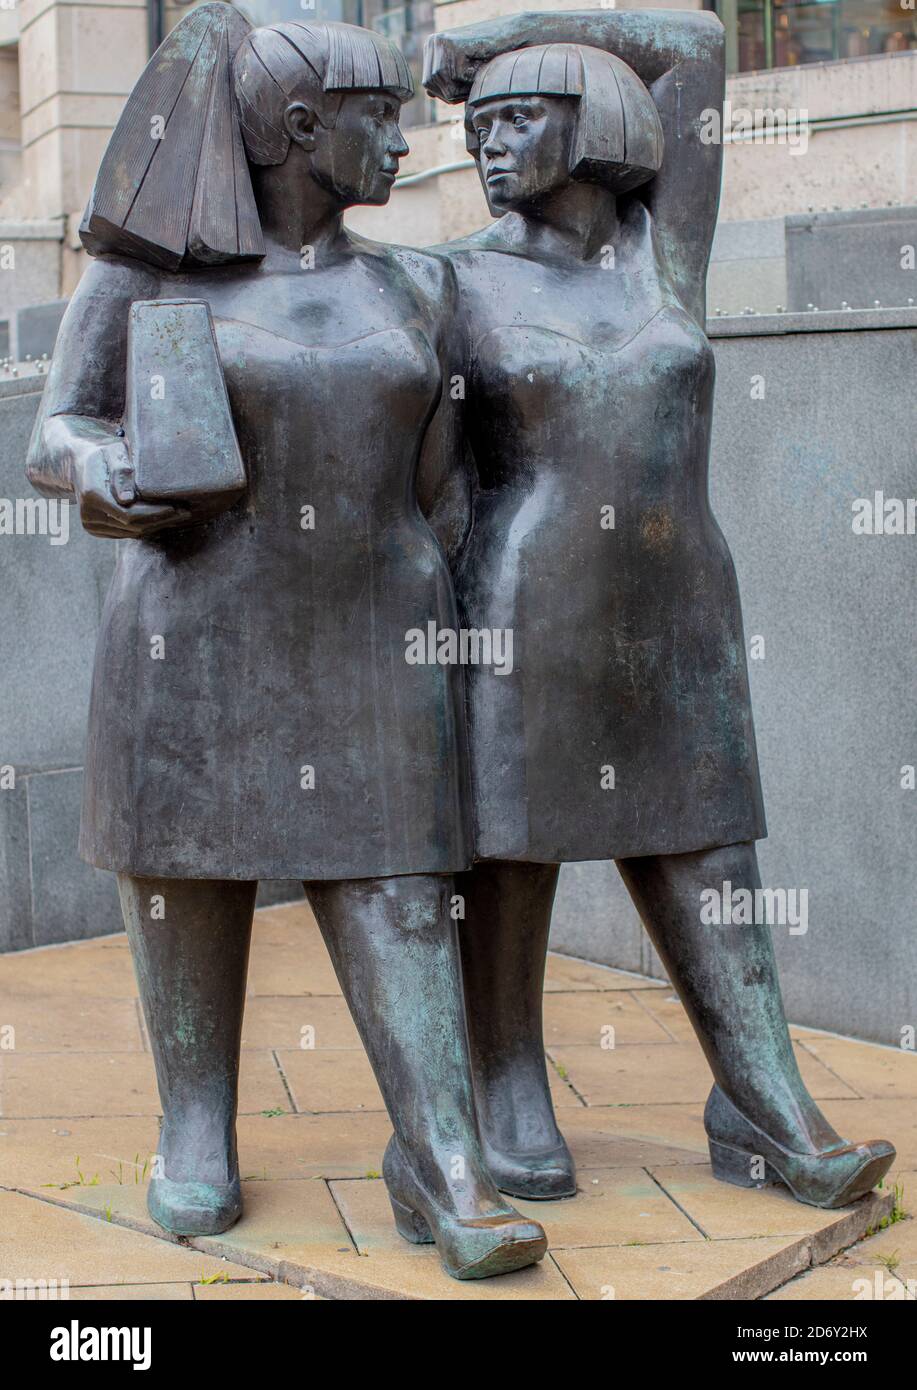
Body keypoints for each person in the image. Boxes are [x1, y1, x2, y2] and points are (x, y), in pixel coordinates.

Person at [26, 4, 546, 1281]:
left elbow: (446, 481)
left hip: (372, 635)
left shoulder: (413, 282)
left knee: (398, 893)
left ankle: (443, 1157)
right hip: (191, 629)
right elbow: (58, 432)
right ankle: (191, 1121)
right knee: (188, 880)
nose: (406, 138)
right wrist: (103, 473)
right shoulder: (149, 270)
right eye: (382, 116)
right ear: (302, 131)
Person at [420, 8, 895, 1207]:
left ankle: (761, 1093)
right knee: (511, 846)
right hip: (519, 597)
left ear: (597, 125)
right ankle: (503, 1078)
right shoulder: (453, 276)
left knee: (706, 841)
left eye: (518, 116)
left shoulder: (658, 253)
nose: (486, 141)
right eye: (476, 122)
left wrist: (501, 35)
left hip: (679, 595)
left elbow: (693, 42)